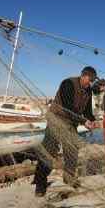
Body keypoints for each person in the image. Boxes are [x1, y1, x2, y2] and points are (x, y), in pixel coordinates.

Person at [33, 66, 98, 197]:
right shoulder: (68, 83)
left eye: (92, 81)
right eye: (89, 80)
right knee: (49, 150)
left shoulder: (88, 90)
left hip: (70, 123)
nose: (90, 83)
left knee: (72, 150)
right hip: (56, 119)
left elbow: (87, 111)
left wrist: (91, 120)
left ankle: (68, 177)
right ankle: (40, 183)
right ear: (83, 76)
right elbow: (68, 107)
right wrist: (83, 121)